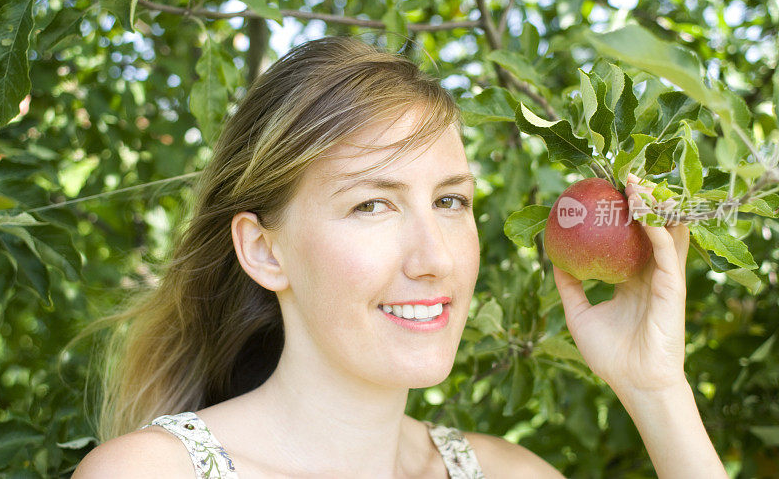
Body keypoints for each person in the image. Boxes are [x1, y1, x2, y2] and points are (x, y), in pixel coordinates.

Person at [73, 35, 726, 478]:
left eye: (449, 201)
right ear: (264, 250)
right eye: (371, 205)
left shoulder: (511, 473)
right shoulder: (152, 471)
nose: (434, 257)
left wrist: (655, 389)